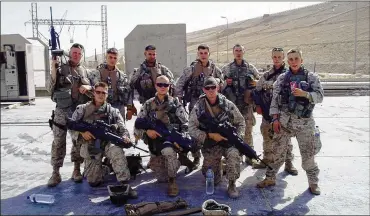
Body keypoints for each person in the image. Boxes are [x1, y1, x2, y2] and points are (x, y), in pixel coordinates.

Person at [257, 49, 323, 195]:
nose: (293, 62)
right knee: (277, 153)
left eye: (296, 59)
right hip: (284, 123)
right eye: (291, 59)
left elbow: (320, 96)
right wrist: (274, 119)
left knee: (308, 155)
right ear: (288, 61)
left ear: (302, 60)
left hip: (304, 123)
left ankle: (313, 183)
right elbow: (274, 100)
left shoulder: (311, 77)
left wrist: (305, 94)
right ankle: (270, 178)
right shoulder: (282, 78)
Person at [69, 82, 136, 197]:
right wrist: (81, 133)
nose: (100, 95)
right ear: (93, 93)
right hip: (91, 146)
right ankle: (105, 168)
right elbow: (71, 126)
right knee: (93, 182)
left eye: (103, 93)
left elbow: (122, 128)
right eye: (98, 92)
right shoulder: (83, 109)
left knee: (116, 150)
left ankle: (124, 182)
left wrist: (125, 137)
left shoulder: (113, 111)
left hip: (108, 144)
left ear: (107, 95)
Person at [188, 77, 245, 198]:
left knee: (234, 154)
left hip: (227, 142)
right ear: (204, 89)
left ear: (218, 88)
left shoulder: (227, 104)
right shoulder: (199, 107)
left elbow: (241, 122)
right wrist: (209, 135)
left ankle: (231, 183)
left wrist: (237, 138)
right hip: (211, 143)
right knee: (212, 179)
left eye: (213, 87)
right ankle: (221, 167)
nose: (211, 90)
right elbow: (191, 128)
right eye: (207, 88)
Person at [46, 43, 92, 187]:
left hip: (78, 112)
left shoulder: (86, 72)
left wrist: (88, 87)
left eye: (79, 53)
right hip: (61, 111)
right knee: (58, 142)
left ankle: (76, 169)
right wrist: (53, 68)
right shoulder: (60, 68)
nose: (76, 55)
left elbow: (94, 90)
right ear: (69, 53)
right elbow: (49, 89)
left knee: (77, 142)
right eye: (74, 52)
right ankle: (55, 173)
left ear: (82, 55)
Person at [134, 75, 188, 197]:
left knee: (169, 151)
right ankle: (173, 162)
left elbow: (185, 123)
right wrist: (147, 132)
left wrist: (182, 137)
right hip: (155, 142)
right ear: (155, 86)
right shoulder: (148, 104)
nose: (163, 87)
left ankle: (173, 180)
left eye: (166, 85)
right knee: (161, 178)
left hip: (170, 141)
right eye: (160, 84)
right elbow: (137, 125)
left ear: (169, 87)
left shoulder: (175, 103)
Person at [174, 44, 224, 167]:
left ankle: (212, 156)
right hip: (195, 102)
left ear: (209, 54)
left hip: (211, 104)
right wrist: (179, 99)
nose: (203, 55)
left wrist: (217, 84)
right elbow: (179, 83)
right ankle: (196, 157)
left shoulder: (214, 69)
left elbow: (222, 82)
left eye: (205, 53)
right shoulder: (191, 68)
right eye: (201, 53)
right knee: (195, 130)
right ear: (198, 54)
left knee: (211, 129)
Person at [252, 48, 298, 174]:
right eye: (274, 57)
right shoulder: (266, 75)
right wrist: (258, 105)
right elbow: (256, 90)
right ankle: (267, 160)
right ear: (272, 58)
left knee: (286, 139)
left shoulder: (289, 75)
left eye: (279, 57)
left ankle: (289, 163)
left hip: (284, 114)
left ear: (283, 58)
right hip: (268, 113)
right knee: (266, 136)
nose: (277, 59)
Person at [221, 44, 260, 166]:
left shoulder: (250, 68)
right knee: (231, 130)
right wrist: (225, 83)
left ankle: (249, 155)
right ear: (233, 52)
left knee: (248, 130)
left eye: (240, 51)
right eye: (236, 51)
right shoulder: (227, 68)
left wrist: (254, 83)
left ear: (244, 52)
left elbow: (259, 82)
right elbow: (219, 85)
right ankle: (231, 154)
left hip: (246, 104)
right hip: (232, 106)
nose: (238, 53)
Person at [128, 45, 174, 120]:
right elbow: (130, 87)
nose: (152, 56)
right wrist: (130, 106)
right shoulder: (139, 71)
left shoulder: (162, 69)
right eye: (149, 54)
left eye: (154, 54)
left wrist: (173, 101)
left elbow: (172, 86)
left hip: (163, 105)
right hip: (146, 105)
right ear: (145, 54)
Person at [89, 47, 132, 122]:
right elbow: (90, 89)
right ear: (106, 57)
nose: (112, 60)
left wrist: (129, 109)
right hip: (100, 106)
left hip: (118, 106)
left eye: (115, 58)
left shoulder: (121, 75)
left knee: (119, 130)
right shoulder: (96, 73)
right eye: (110, 57)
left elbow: (128, 91)